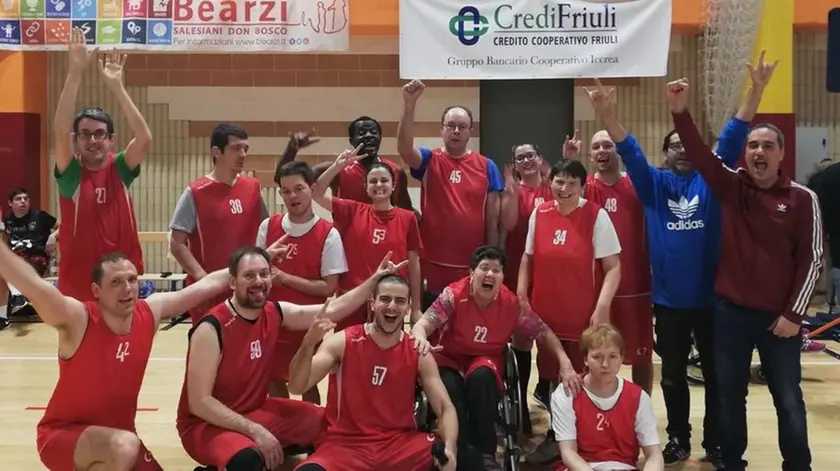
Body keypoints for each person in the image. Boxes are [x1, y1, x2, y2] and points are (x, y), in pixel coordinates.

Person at [580, 60, 773, 466]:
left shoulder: (714, 181)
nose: (683, 151)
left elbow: (734, 134)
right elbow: (628, 148)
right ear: (665, 154)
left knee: (718, 379)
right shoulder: (652, 185)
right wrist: (606, 114)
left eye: (689, 146)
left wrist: (755, 90)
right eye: (675, 147)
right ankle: (678, 439)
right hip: (669, 302)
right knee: (671, 379)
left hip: (714, 300)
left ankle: (716, 442)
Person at [668, 76, 822, 471]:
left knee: (788, 399)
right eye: (752, 145)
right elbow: (702, 154)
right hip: (731, 315)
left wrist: (793, 315)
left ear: (781, 153)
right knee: (729, 397)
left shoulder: (803, 199)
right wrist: (679, 110)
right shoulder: (731, 186)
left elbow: (813, 258)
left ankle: (798, 466)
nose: (758, 151)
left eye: (767, 145)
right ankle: (732, 463)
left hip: (780, 322)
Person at [0, 239, 232, 470]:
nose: (128, 288)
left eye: (132, 279)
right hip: (63, 436)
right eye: (116, 282)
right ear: (96, 291)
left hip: (120, 439)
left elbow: (205, 286)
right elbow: (32, 285)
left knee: (126, 447)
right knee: (125, 446)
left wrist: (252, 263)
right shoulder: (79, 319)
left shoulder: (149, 313)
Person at [177, 247, 406, 471]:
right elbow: (200, 403)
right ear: (232, 282)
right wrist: (254, 430)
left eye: (264, 274)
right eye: (249, 275)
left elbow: (333, 310)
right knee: (247, 460)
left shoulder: (274, 312)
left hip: (255, 412)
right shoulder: (211, 327)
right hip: (206, 425)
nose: (258, 281)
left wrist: (376, 280)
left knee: (331, 424)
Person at [410, 245, 581, 470]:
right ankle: (459, 452)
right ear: (472, 273)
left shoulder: (512, 305)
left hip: (484, 359)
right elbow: (423, 324)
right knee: (448, 386)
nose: (490, 274)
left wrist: (565, 361)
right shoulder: (453, 295)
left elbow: (543, 332)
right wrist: (420, 337)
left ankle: (484, 454)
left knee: (483, 379)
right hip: (450, 357)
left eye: (496, 270)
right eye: (484, 268)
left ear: (502, 278)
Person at [289, 274, 458, 471]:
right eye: (385, 299)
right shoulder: (343, 342)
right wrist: (308, 343)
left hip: (399, 446)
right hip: (345, 446)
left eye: (400, 301)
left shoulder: (417, 352)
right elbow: (296, 386)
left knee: (450, 457)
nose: (392, 306)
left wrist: (450, 448)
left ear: (408, 307)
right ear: (372, 303)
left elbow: (446, 408)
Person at [518, 159, 622, 465]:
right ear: (550, 183)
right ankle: (556, 435)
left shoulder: (596, 216)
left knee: (582, 378)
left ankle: (587, 438)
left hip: (582, 315)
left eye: (572, 183)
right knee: (551, 375)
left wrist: (602, 306)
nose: (564, 189)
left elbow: (614, 267)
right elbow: (527, 258)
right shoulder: (540, 212)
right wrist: (522, 293)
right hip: (545, 314)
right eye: (559, 182)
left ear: (582, 186)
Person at [51, 30, 152, 302]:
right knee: (78, 346)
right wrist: (75, 72)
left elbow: (144, 138)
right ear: (76, 140)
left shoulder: (119, 168)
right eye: (85, 134)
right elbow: (60, 133)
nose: (92, 140)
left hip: (121, 280)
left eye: (99, 134)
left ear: (111, 140)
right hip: (78, 284)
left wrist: (117, 86)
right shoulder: (71, 174)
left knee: (124, 345)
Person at [397, 79, 504, 307]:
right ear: (442, 129)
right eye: (451, 125)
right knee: (432, 330)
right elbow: (405, 149)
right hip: (432, 264)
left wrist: (491, 261)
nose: (456, 131)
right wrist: (409, 105)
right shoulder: (429, 160)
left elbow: (493, 220)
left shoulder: (487, 166)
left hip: (471, 266)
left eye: (462, 126)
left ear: (470, 131)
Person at [499, 141, 578, 432]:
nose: (526, 161)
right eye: (520, 158)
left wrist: (570, 159)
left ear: (540, 159)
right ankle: (520, 408)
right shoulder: (512, 190)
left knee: (551, 336)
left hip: (549, 276)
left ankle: (546, 391)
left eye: (531, 155)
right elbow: (508, 225)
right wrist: (510, 193)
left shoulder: (552, 187)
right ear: (515, 164)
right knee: (522, 339)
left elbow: (571, 189)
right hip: (517, 274)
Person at [256, 161, 348, 403]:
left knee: (306, 382)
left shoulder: (329, 233)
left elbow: (328, 287)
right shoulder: (268, 226)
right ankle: (283, 434)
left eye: (298, 188)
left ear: (311, 188)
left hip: (308, 324)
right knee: (273, 382)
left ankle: (309, 436)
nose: (292, 196)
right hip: (272, 320)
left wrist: (285, 278)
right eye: (286, 191)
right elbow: (255, 274)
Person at [312, 145, 423, 326]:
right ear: (365, 186)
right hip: (352, 300)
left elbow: (414, 263)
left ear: (394, 185)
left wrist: (416, 307)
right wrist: (337, 167)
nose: (378, 185)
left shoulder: (407, 218)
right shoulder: (352, 210)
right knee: (348, 352)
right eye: (373, 181)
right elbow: (316, 193)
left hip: (390, 302)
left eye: (384, 180)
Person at [169, 123, 269, 322]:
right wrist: (204, 280)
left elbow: (266, 230)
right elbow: (176, 243)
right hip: (211, 292)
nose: (242, 154)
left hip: (247, 288)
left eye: (245, 149)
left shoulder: (253, 187)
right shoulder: (195, 192)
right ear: (216, 151)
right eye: (236, 148)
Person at [551, 324, 664, 471]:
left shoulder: (638, 397)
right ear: (585, 359)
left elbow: (654, 454)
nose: (605, 364)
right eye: (597, 357)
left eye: (612, 356)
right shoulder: (567, 394)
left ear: (621, 358)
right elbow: (568, 452)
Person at [277, 118, 415, 211]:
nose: (368, 136)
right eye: (362, 133)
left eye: (373, 132)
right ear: (351, 140)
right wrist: (291, 149)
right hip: (347, 243)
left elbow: (407, 212)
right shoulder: (336, 169)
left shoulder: (396, 171)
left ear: (380, 138)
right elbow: (281, 179)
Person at [1, 188, 58, 328]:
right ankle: (5, 313)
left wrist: (53, 236)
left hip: (36, 257)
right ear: (10, 203)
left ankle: (17, 297)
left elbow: (64, 226)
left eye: (26, 199)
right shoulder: (7, 221)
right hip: (15, 259)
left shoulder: (40, 216)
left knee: (17, 268)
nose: (23, 202)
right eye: (18, 199)